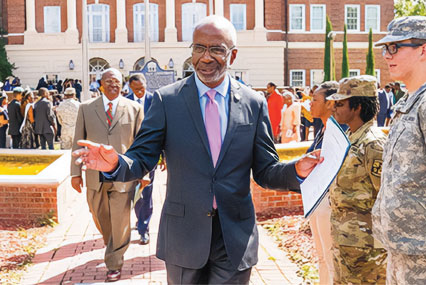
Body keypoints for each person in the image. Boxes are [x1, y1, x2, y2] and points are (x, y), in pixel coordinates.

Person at [72, 15, 321, 284]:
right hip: (183, 236)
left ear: (233, 56)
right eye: (199, 48)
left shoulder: (253, 103)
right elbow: (142, 158)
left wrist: (295, 169)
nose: (205, 57)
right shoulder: (167, 100)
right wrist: (115, 164)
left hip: (234, 238)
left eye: (216, 49)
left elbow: (265, 170)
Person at [71, 68, 144, 282]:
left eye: (118, 82)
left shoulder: (135, 109)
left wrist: (144, 173)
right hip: (95, 176)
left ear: (123, 85)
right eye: (109, 81)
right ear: (100, 84)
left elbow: (142, 145)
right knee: (100, 215)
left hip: (124, 175)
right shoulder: (86, 108)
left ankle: (114, 262)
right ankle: (111, 242)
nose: (114, 85)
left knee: (120, 219)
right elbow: (77, 141)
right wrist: (75, 173)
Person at [372, 16, 426, 284]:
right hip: (402, 248)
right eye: (385, 48)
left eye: (395, 47)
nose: (386, 55)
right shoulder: (408, 102)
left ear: (423, 49)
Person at [327, 75, 387, 284]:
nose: (334, 108)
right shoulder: (349, 139)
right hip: (347, 243)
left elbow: (386, 197)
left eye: (340, 104)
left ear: (358, 107)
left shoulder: (373, 145)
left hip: (367, 250)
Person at [305, 81, 339, 284]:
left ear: (329, 103)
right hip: (316, 200)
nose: (310, 103)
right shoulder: (322, 129)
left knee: (331, 257)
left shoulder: (338, 132)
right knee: (321, 256)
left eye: (315, 99)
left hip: (329, 202)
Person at [125, 73, 162, 245]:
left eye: (142, 88)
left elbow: (164, 128)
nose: (140, 92)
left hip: (150, 155)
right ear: (130, 88)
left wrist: (164, 156)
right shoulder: (124, 102)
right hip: (130, 156)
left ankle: (143, 229)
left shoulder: (156, 100)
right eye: (136, 89)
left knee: (146, 192)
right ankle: (140, 218)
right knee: (134, 192)